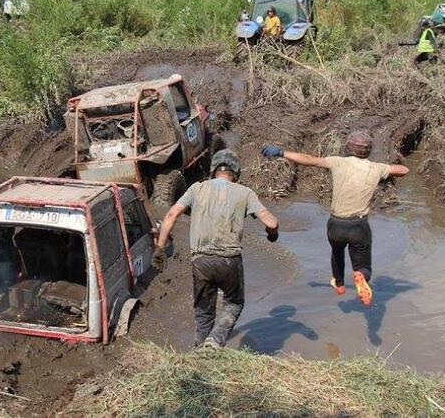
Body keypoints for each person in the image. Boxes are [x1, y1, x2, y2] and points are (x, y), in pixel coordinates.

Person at [262, 131, 409, 307]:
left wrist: (280, 152)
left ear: (348, 147)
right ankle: (361, 276)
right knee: (363, 265)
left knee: (337, 252)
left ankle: (339, 284)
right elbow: (404, 170)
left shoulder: (337, 162)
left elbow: (309, 159)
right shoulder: (377, 168)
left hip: (335, 225)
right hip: (359, 226)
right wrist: (385, 169)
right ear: (369, 150)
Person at [153, 149, 280, 348]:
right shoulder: (245, 193)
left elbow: (171, 215)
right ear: (235, 172)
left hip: (200, 261)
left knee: (203, 313)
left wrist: (160, 248)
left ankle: (200, 354)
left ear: (213, 170)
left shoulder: (196, 189)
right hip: (229, 260)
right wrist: (273, 235)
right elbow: (271, 223)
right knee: (234, 303)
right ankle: (215, 339)